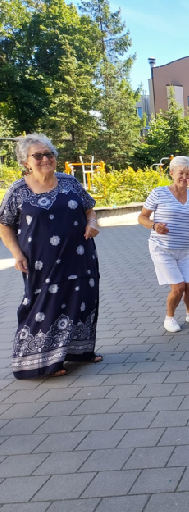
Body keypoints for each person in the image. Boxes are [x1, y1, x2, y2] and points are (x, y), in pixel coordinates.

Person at [0, 134, 102, 378]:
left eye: (49, 154)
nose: (45, 159)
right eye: (38, 155)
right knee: (42, 304)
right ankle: (40, 361)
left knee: (82, 300)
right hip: (40, 261)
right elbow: (5, 225)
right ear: (25, 161)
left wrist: (92, 222)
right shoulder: (18, 190)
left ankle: (79, 351)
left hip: (79, 255)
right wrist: (16, 253)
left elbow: (89, 208)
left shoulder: (70, 182)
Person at [138, 156, 189, 332]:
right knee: (178, 287)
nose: (184, 177)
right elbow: (142, 217)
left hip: (187, 249)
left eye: (188, 173)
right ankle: (169, 318)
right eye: (181, 173)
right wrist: (154, 225)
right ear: (171, 173)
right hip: (162, 248)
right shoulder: (159, 193)